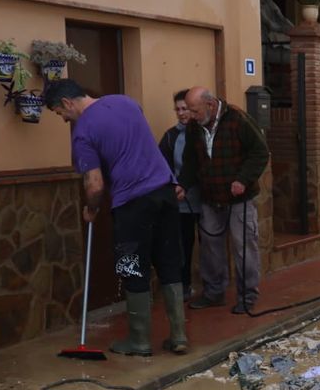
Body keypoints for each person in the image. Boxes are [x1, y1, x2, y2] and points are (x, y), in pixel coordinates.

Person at [44, 79, 189, 356]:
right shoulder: (126, 102)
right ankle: (179, 336)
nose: (63, 119)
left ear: (66, 103)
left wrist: (92, 208)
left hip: (132, 203)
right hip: (166, 193)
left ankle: (139, 341)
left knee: (132, 267)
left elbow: (95, 184)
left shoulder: (83, 132)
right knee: (170, 262)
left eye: (58, 113)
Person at [178, 86, 270, 315]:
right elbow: (190, 160)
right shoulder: (194, 127)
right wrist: (182, 185)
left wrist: (243, 180)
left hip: (240, 199)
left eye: (195, 110)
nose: (190, 115)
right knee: (210, 248)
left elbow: (260, 151)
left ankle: (247, 296)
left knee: (244, 248)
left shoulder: (238, 119)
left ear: (210, 105)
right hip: (210, 198)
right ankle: (213, 293)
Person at [158, 89, 200, 299]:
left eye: (185, 109)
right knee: (184, 245)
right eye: (178, 109)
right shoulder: (170, 137)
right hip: (182, 203)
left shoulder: (203, 131)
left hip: (206, 199)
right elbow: (162, 167)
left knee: (210, 245)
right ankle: (184, 286)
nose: (182, 113)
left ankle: (213, 286)